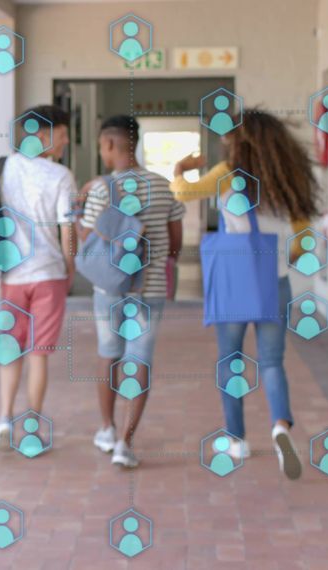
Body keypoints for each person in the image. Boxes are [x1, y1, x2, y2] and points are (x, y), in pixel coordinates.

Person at [171, 109, 321, 480]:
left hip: (233, 283)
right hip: (276, 283)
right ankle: (280, 427)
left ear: (240, 141)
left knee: (231, 360)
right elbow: (303, 242)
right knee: (272, 361)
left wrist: (180, 168)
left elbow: (183, 193)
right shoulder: (289, 180)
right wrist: (281, 256)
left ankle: (236, 439)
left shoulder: (228, 175)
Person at [79, 115, 185, 469]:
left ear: (110, 144)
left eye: (101, 146)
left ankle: (107, 429)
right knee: (139, 360)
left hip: (109, 287)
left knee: (108, 354)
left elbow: (87, 240)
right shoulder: (162, 186)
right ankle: (126, 443)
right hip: (149, 288)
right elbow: (175, 242)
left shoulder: (101, 189)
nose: (102, 152)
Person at [0, 105, 77, 451]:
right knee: (39, 354)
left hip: (12, 274)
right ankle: (31, 429)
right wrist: (70, 267)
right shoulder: (61, 176)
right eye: (63, 135)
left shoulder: (2, 168)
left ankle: (3, 419)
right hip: (49, 273)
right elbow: (67, 229)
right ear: (43, 135)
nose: (66, 142)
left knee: (11, 350)